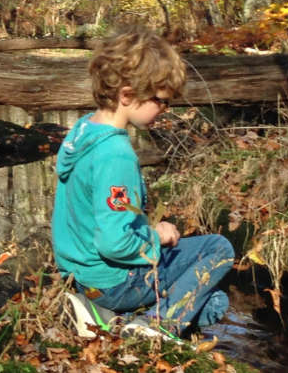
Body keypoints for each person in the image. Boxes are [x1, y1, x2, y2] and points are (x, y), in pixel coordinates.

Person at [52, 26, 233, 339]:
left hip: (83, 277)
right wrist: (156, 237)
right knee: (219, 248)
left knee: (215, 301)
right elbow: (113, 242)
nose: (164, 111)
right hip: (113, 281)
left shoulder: (82, 131)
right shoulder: (116, 155)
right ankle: (156, 328)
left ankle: (104, 317)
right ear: (127, 95)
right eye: (161, 101)